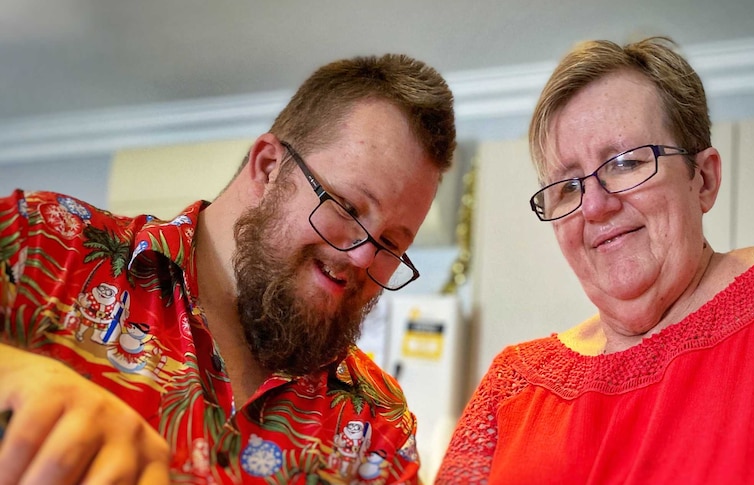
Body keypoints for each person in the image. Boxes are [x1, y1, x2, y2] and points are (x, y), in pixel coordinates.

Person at [0, 53, 456, 484]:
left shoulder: (376, 423)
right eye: (347, 207)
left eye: (392, 243)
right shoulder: (49, 244)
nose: (362, 256)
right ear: (268, 166)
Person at [436, 37, 754, 484]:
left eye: (625, 163)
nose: (595, 207)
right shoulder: (513, 386)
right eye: (568, 187)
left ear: (705, 179)